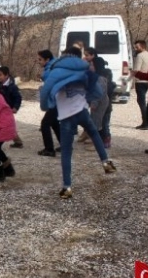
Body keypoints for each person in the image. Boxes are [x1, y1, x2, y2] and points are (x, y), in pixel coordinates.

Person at [40, 46, 117, 199]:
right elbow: (98, 91)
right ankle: (106, 162)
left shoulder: (55, 70)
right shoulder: (85, 70)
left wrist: (46, 105)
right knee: (94, 134)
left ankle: (67, 187)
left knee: (67, 152)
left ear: (64, 56)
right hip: (81, 110)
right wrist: (86, 99)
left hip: (66, 115)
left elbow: (46, 89)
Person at [80, 48, 111, 148]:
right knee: (95, 121)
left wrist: (94, 103)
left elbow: (99, 93)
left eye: (92, 65)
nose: (90, 66)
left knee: (97, 123)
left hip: (100, 103)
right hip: (97, 102)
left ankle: (98, 143)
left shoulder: (100, 78)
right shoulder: (95, 76)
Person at [36, 50, 61, 157]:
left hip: (55, 101)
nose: (39, 62)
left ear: (47, 59)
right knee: (54, 123)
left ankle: (49, 149)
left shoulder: (51, 69)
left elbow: (50, 85)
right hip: (57, 100)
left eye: (40, 59)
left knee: (45, 124)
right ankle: (65, 144)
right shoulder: (53, 66)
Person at [0, 66, 23, 148]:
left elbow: (18, 98)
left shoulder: (12, 87)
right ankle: (17, 141)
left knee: (7, 125)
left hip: (8, 109)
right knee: (7, 125)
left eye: (0, 75)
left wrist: (15, 107)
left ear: (6, 75)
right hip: (0, 109)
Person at [133, 40, 148, 130]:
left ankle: (146, 123)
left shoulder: (139, 56)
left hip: (140, 81)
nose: (135, 48)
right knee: (145, 102)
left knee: (141, 102)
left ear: (142, 46)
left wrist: (129, 78)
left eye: (137, 47)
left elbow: (136, 70)